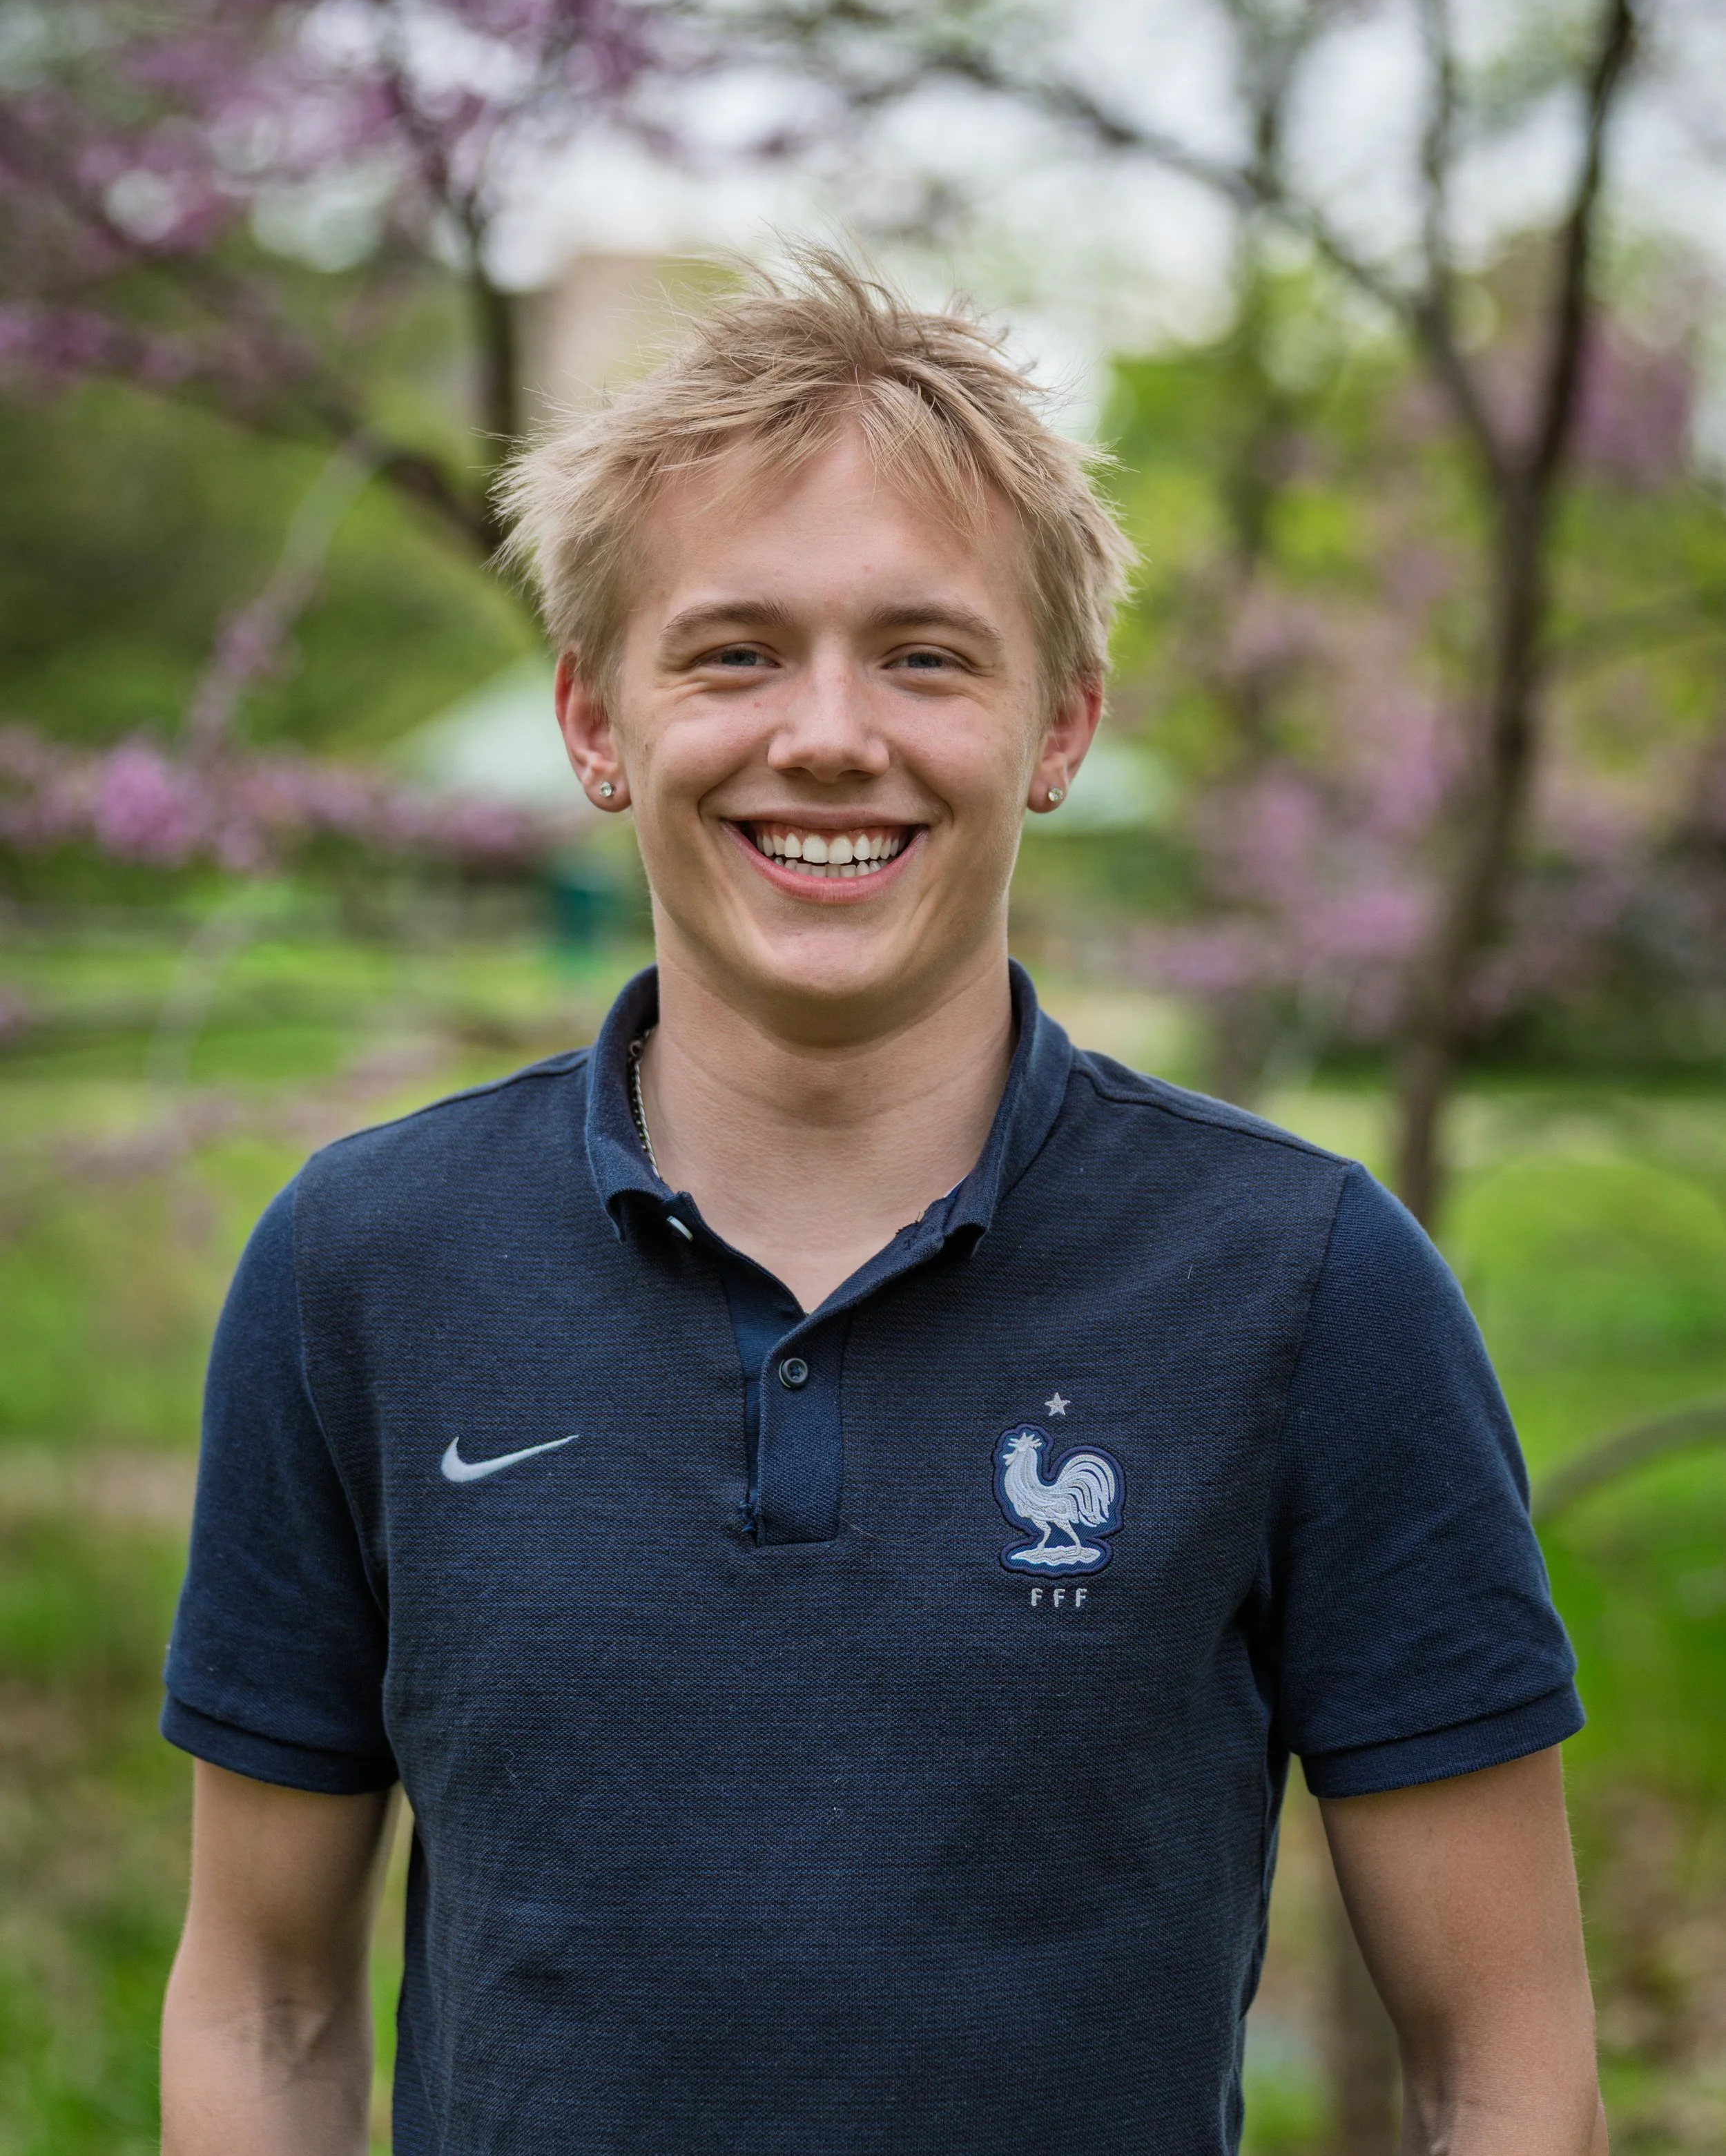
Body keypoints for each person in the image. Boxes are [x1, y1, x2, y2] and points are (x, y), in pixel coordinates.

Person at [159, 253, 1604, 2156]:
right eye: (734, 650)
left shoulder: (1309, 1285)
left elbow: (1502, 2064)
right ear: (597, 720)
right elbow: (262, 1999)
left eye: (924, 654)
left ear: (1060, 724)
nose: (827, 734)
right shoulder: (358, 1264)